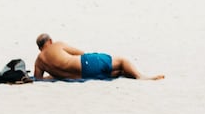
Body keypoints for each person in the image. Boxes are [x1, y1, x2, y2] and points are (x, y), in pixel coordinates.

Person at [31, 33, 162, 81]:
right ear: (49, 41)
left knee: (118, 72)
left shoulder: (38, 62)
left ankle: (128, 74)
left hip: (82, 76)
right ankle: (141, 76)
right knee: (122, 60)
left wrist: (54, 74)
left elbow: (39, 79)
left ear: (40, 47)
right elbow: (81, 53)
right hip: (86, 64)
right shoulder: (57, 45)